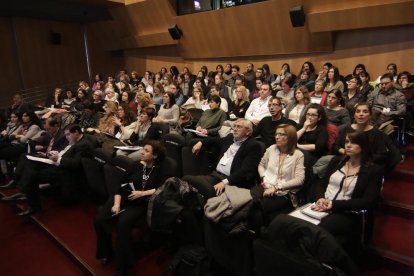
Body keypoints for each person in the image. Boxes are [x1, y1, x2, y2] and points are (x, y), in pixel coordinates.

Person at [94, 141, 170, 275]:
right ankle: (107, 253)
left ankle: (122, 265)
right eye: (143, 150)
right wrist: (117, 204)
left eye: (146, 151)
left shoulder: (161, 169)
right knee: (100, 220)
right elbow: (121, 185)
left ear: (155, 155)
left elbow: (162, 188)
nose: (142, 152)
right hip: (122, 197)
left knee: (123, 224)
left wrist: (142, 193)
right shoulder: (135, 165)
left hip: (140, 202)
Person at [311, 130, 382, 252]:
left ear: (363, 146)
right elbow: (321, 184)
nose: (348, 145)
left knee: (317, 231)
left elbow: (367, 201)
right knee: (300, 224)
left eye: (353, 143)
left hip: (348, 212)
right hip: (323, 205)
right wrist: (320, 198)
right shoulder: (336, 161)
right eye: (347, 142)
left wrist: (333, 205)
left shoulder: (373, 170)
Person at [6, 124, 94, 215]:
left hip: (65, 171)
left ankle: (28, 199)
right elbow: (64, 152)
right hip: (56, 163)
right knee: (28, 161)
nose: (67, 137)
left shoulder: (83, 145)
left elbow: (76, 163)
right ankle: (23, 193)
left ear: (76, 132)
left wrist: (58, 159)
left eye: (68, 134)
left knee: (33, 174)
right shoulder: (73, 140)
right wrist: (54, 154)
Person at [183, 118, 263, 199]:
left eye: (239, 127)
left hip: (231, 182)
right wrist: (201, 142)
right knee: (187, 185)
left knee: (194, 188)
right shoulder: (230, 138)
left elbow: (246, 171)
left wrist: (225, 182)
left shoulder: (253, 146)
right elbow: (214, 140)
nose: (235, 129)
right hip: (215, 176)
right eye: (234, 126)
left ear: (248, 131)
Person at [252, 124, 305, 223]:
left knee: (259, 207)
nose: (277, 137)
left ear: (291, 137)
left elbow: (300, 180)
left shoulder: (298, 155)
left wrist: (277, 187)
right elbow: (261, 165)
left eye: (282, 134)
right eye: (276, 134)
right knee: (250, 201)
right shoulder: (272, 148)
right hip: (265, 185)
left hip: (283, 193)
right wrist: (263, 177)